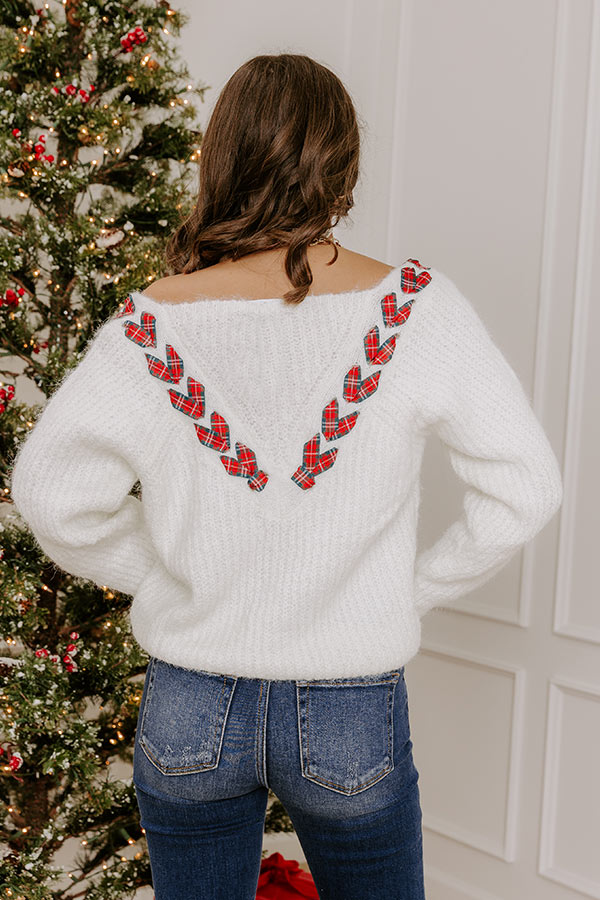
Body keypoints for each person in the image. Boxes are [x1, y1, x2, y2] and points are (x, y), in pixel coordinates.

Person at [9, 53, 563, 900]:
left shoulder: (152, 323)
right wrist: (403, 592)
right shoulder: (414, 309)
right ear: (342, 160)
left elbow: (50, 493)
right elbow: (525, 487)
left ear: (223, 154)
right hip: (350, 705)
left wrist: (166, 577)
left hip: (191, 702)